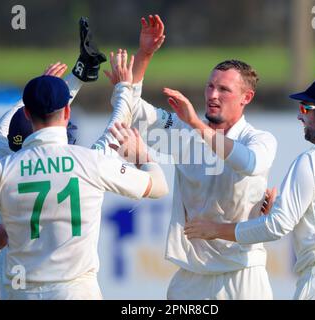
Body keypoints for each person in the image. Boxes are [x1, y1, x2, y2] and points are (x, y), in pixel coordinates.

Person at [0, 49, 169, 299]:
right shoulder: (90, 163)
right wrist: (142, 153)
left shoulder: (3, 167)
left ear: (27, 113)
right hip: (75, 291)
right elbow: (158, 186)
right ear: (67, 114)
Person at [104, 15, 277, 299]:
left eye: (224, 89)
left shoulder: (258, 139)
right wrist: (145, 55)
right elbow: (132, 109)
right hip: (191, 276)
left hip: (243, 273)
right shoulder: (185, 130)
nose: (213, 94)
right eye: (210, 86)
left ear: (247, 97)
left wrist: (198, 126)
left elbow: (250, 164)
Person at [184, 77, 315, 300]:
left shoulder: (313, 160)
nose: (300, 115)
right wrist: (275, 210)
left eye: (306, 108)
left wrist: (216, 230)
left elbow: (277, 226)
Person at [0, 17, 106, 300]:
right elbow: (50, 117)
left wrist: (49, 88)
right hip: (44, 281)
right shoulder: (68, 161)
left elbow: (26, 115)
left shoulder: (2, 154)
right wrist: (77, 77)